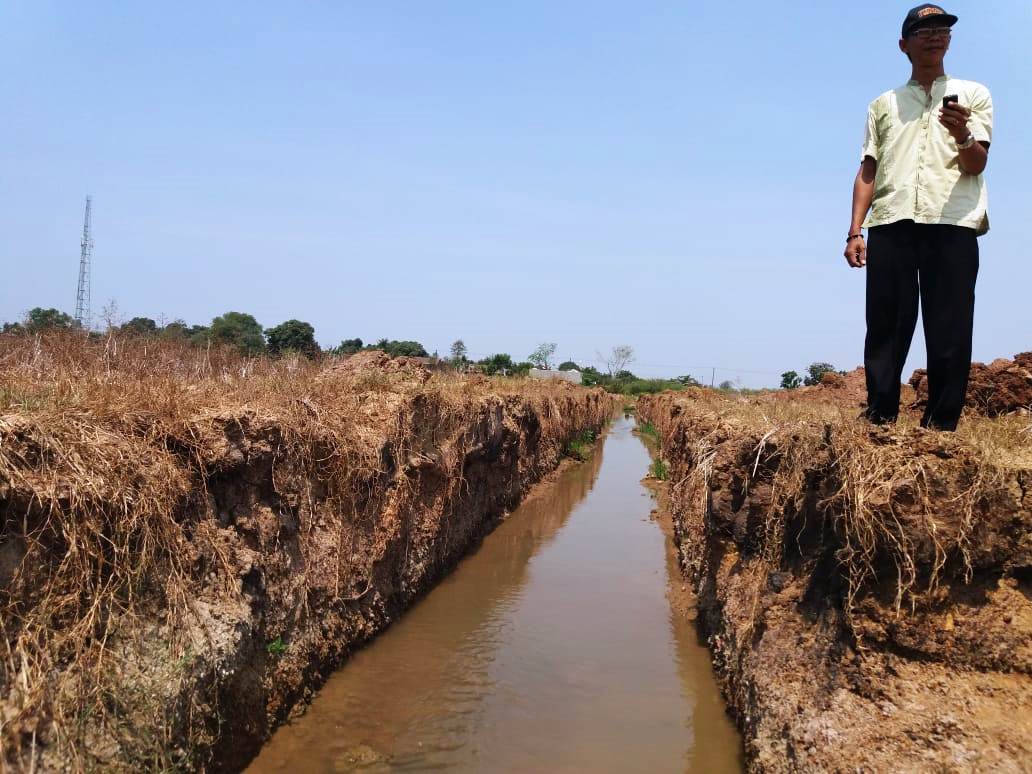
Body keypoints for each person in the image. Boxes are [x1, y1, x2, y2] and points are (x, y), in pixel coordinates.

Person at [844, 4, 993, 431]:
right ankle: (880, 416)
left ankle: (940, 426)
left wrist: (962, 133)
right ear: (903, 44)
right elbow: (868, 169)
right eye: (923, 29)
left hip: (952, 222)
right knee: (886, 324)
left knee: (950, 324)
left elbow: (976, 164)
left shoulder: (974, 95)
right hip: (891, 222)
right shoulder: (883, 104)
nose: (935, 35)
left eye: (942, 28)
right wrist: (855, 230)